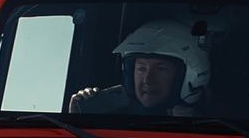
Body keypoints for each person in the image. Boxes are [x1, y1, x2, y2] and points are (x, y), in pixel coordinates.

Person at [71, 19, 209, 116]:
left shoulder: (218, 129)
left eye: (160, 69)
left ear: (191, 75)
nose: (147, 80)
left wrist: (188, 128)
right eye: (141, 69)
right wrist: (76, 120)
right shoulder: (111, 121)